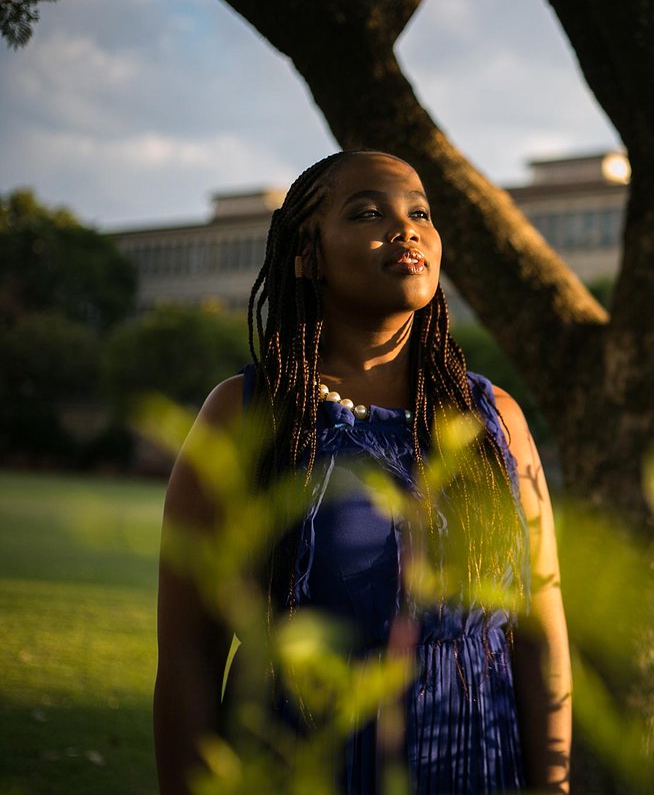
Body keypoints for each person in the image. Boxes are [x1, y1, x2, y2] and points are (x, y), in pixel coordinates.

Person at [153, 150, 571, 794]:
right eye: (369, 212)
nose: (407, 230)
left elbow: (540, 635)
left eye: (421, 212)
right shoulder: (245, 416)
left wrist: (555, 786)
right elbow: (188, 658)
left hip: (476, 773)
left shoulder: (496, 422)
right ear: (306, 254)